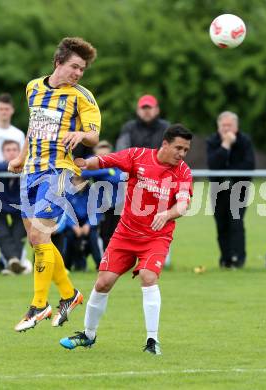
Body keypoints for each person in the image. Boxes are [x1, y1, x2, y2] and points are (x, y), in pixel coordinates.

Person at [59, 124, 193, 355]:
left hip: (156, 236)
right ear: (165, 144)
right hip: (125, 234)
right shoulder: (137, 155)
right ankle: (88, 335)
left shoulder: (182, 171)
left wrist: (168, 213)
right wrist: (82, 164)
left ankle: (152, 341)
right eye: (178, 148)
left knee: (148, 276)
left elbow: (183, 203)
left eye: (186, 150)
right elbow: (104, 161)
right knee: (102, 283)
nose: (182, 154)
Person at [8, 37, 101, 332]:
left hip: (59, 170)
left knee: (39, 236)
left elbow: (94, 135)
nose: (78, 73)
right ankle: (69, 294)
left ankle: (39, 305)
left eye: (82, 69)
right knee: (39, 241)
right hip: (31, 171)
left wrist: (80, 135)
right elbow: (33, 127)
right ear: (58, 62)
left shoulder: (82, 96)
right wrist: (22, 157)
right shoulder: (33, 87)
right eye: (74, 66)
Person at [206, 111, 255, 269]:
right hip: (218, 189)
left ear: (237, 126)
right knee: (221, 224)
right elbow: (213, 165)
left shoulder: (244, 141)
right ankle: (225, 258)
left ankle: (238, 258)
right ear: (218, 126)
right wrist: (225, 146)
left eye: (230, 125)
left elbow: (249, 165)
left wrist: (229, 170)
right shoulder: (212, 141)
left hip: (238, 188)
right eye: (223, 125)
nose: (226, 129)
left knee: (236, 222)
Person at [0, 140, 27, 275]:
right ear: (3, 153)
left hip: (19, 208)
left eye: (15, 149)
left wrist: (21, 164)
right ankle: (14, 262)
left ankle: (11, 263)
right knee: (2, 234)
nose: (11, 152)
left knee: (18, 235)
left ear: (20, 151)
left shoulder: (27, 166)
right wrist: (12, 165)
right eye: (8, 150)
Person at [81, 140, 125, 250]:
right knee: (103, 234)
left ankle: (113, 261)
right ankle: (105, 261)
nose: (103, 158)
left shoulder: (117, 162)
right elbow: (84, 173)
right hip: (100, 205)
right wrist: (108, 171)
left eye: (106, 155)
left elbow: (120, 178)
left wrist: (99, 172)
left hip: (116, 205)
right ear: (95, 153)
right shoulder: (91, 161)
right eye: (100, 156)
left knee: (115, 235)